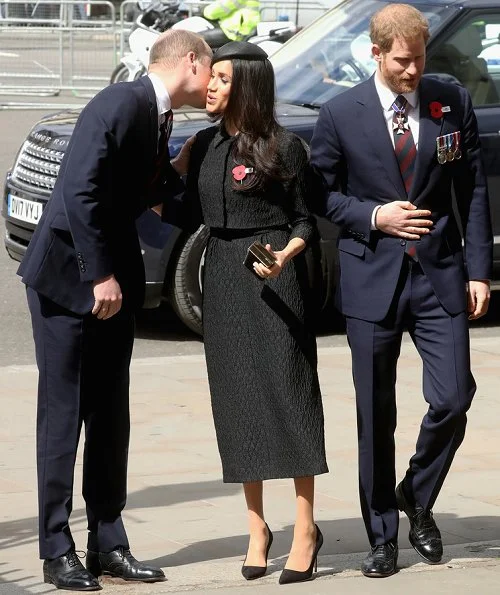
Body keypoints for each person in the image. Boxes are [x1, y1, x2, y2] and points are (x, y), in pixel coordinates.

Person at [17, 29, 212, 592]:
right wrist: (98, 272)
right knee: (64, 416)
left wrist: (175, 170)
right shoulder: (122, 101)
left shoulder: (156, 116)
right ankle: (57, 550)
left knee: (110, 415)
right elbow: (79, 190)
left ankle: (109, 541)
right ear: (191, 61)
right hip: (69, 282)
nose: (215, 80)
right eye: (213, 68)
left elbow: (138, 195)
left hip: (112, 284)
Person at [309, 3, 492, 579]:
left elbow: (474, 188)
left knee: (454, 396)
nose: (414, 71)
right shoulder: (340, 115)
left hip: (439, 276)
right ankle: (382, 535)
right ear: (377, 54)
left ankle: (416, 491)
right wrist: (374, 216)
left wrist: (478, 270)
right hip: (372, 281)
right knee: (375, 415)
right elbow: (320, 195)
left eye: (420, 58)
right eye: (402, 61)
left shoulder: (449, 100)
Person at [162, 41, 328, 585]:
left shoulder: (284, 146)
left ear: (249, 86)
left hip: (276, 280)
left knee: (290, 394)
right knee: (237, 403)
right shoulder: (204, 143)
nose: (210, 84)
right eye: (212, 76)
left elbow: (307, 219)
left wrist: (286, 255)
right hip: (225, 281)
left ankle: (305, 526)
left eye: (224, 78)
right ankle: (256, 527)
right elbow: (182, 214)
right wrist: (171, 170)